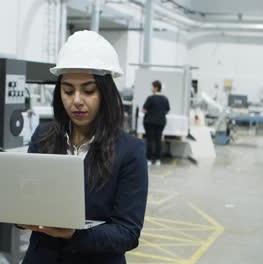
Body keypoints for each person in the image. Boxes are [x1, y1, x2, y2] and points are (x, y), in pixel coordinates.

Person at [18, 30, 148, 264]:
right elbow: (28, 198)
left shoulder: (130, 151)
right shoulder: (43, 136)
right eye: (68, 90)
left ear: (105, 93)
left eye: (88, 90)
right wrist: (20, 215)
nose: (76, 100)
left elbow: (128, 233)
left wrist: (75, 234)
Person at [142, 80, 170, 165]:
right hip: (161, 122)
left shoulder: (150, 98)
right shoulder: (165, 99)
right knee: (158, 140)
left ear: (156, 88)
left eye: (152, 87)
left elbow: (144, 110)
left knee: (150, 140)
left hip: (150, 122)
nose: (151, 88)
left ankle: (149, 159)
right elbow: (167, 110)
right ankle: (158, 159)